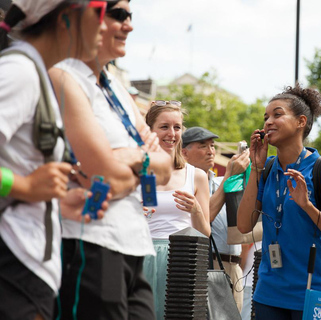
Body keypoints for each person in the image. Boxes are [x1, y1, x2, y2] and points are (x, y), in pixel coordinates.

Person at [49, 1, 173, 318]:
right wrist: (142, 157)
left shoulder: (116, 87)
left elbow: (166, 167)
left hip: (134, 243)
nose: (128, 25)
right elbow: (104, 178)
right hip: (89, 243)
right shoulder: (63, 76)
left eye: (130, 16)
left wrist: (127, 157)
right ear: (88, 17)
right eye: (118, 14)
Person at [0, 0, 107, 319]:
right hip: (13, 268)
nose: (104, 25)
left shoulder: (32, 73)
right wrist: (24, 185)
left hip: (25, 272)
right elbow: (21, 182)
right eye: (100, 11)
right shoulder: (19, 73)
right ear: (66, 18)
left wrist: (55, 204)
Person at [237, 84, 321, 319]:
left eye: (277, 114)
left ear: (301, 122)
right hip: (268, 292)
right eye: (266, 117)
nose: (268, 122)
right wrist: (256, 167)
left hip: (313, 293)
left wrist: (307, 206)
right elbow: (243, 225)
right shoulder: (267, 168)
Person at [143, 102, 211, 320]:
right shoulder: (136, 172)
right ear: (150, 130)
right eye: (164, 127)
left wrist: (196, 210)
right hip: (141, 255)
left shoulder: (196, 175)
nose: (171, 134)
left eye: (177, 127)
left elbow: (205, 233)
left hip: (182, 258)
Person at [181, 126, 251, 312]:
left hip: (233, 269)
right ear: (184, 152)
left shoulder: (221, 182)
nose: (210, 151)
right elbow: (205, 217)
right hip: (205, 264)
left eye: (212, 145)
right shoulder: (183, 182)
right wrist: (230, 175)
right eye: (202, 145)